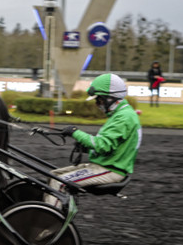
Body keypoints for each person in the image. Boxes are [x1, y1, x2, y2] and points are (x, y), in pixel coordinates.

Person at [44, 73, 142, 207]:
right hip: (105, 165)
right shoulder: (121, 114)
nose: (97, 104)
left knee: (60, 182)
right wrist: (84, 147)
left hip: (110, 170)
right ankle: (59, 212)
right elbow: (111, 146)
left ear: (110, 98)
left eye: (99, 100)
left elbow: (102, 145)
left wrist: (75, 132)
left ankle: (50, 223)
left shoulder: (124, 117)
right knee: (53, 175)